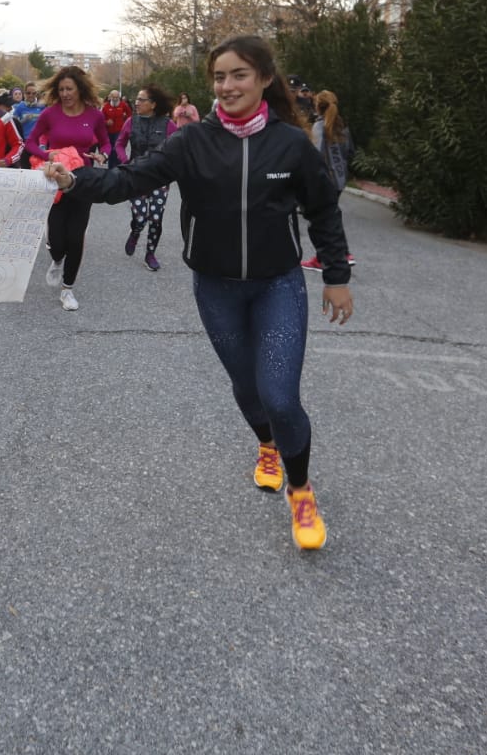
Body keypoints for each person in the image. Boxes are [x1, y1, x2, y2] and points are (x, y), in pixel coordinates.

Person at [44, 34, 354, 552]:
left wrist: (338, 277)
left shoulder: (290, 145)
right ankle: (267, 447)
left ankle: (300, 491)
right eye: (219, 76)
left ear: (263, 80)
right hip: (215, 286)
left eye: (239, 75)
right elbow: (129, 180)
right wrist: (76, 180)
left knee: (280, 393)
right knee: (247, 388)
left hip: (277, 283)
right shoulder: (193, 141)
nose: (228, 85)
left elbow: (323, 210)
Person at [26, 66, 108, 311]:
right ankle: (56, 258)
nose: (64, 94)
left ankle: (68, 289)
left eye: (69, 89)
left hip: (83, 180)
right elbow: (30, 142)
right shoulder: (50, 114)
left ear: (79, 89)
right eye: (61, 89)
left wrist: (102, 154)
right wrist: (45, 153)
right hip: (55, 181)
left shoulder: (94, 115)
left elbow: (105, 141)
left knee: (76, 236)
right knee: (57, 240)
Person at [115, 84, 177, 271]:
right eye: (137, 99)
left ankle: (150, 253)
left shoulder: (168, 125)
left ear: (153, 104)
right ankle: (135, 231)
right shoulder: (131, 122)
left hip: (159, 179)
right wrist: (126, 161)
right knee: (141, 217)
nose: (137, 103)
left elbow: (178, 148)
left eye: (142, 100)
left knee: (156, 218)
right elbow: (119, 144)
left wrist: (171, 167)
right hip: (136, 177)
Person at [302, 90, 357, 270]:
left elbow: (315, 155)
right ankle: (338, 253)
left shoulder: (319, 127)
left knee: (321, 219)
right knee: (330, 216)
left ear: (317, 106)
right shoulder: (342, 127)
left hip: (324, 180)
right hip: (340, 180)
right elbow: (350, 152)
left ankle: (338, 254)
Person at [9, 80, 45, 168]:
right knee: (25, 167)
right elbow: (14, 125)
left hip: (38, 143)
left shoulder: (41, 106)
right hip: (24, 142)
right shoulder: (20, 107)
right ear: (25, 93)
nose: (31, 95)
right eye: (28, 93)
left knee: (37, 167)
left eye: (34, 93)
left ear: (37, 94)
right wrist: (23, 120)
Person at [102, 88, 132, 167]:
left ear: (119, 97)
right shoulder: (106, 107)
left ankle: (118, 166)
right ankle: (111, 167)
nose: (115, 99)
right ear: (110, 97)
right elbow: (101, 120)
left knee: (117, 148)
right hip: (109, 132)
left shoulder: (123, 105)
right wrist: (106, 122)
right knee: (111, 150)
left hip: (120, 131)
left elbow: (130, 115)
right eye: (113, 97)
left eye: (117, 97)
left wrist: (126, 122)